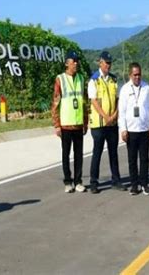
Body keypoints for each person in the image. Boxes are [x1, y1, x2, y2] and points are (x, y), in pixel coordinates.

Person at [88, 51, 126, 194]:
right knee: (97, 153)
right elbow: (94, 101)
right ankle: (94, 182)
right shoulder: (94, 80)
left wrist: (115, 115)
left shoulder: (113, 80)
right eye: (106, 63)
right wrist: (105, 116)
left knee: (113, 152)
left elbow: (117, 100)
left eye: (110, 63)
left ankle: (116, 180)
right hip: (99, 124)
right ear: (100, 63)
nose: (108, 66)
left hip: (112, 123)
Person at [51, 51, 88, 193]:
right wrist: (56, 124)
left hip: (78, 123)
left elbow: (85, 102)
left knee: (79, 154)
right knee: (65, 154)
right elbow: (55, 102)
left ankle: (78, 181)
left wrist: (85, 122)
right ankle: (68, 181)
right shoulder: (60, 79)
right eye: (74, 61)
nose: (76, 63)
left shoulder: (81, 78)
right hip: (65, 124)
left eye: (77, 61)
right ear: (67, 63)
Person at [118, 62, 149, 196]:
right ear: (130, 75)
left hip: (144, 129)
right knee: (132, 159)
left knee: (144, 158)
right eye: (135, 75)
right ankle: (135, 185)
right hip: (131, 130)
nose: (137, 77)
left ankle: (145, 184)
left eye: (139, 74)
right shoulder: (124, 90)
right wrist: (123, 129)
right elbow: (121, 112)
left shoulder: (146, 88)